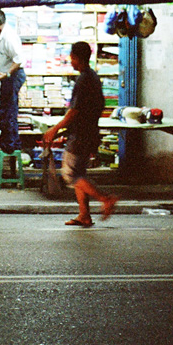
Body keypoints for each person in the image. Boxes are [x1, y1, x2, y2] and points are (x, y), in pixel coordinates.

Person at [42, 41, 118, 228]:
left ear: (76, 57)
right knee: (79, 173)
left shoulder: (84, 79)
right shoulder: (93, 77)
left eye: (72, 57)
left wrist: (55, 129)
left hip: (81, 134)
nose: (71, 61)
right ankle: (84, 215)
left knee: (70, 174)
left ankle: (105, 199)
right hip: (89, 131)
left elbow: (74, 111)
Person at [0, 8, 26, 155]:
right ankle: (9, 142)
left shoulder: (9, 37)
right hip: (4, 74)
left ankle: (10, 144)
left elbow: (18, 60)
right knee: (4, 110)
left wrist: (7, 74)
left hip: (14, 75)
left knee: (9, 110)